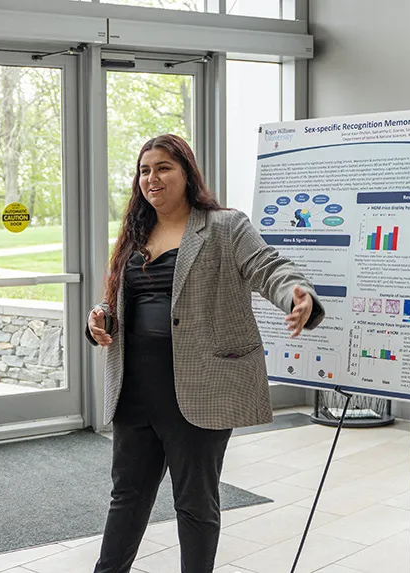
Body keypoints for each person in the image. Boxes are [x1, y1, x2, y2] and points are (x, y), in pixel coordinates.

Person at [86, 134, 324, 573]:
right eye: (144, 170)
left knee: (194, 503)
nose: (151, 178)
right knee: (126, 497)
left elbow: (268, 267)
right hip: (135, 388)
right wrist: (99, 315)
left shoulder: (223, 226)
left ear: (186, 173)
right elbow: (121, 299)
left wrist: (297, 294)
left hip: (200, 388)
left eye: (163, 168)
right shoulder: (135, 233)